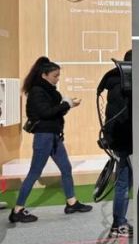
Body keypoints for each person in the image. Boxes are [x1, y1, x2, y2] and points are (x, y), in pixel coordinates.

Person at [9, 57, 92, 223]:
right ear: (44, 75)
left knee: (66, 168)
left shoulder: (48, 91)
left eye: (58, 75)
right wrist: (67, 104)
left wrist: (68, 105)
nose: (58, 78)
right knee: (35, 172)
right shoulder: (37, 91)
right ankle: (17, 210)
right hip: (44, 137)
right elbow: (46, 113)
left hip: (53, 136)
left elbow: (55, 111)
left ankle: (71, 202)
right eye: (55, 76)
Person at [97, 50, 133, 238]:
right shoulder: (125, 84)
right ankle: (119, 223)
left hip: (120, 140)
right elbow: (124, 116)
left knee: (124, 182)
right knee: (123, 183)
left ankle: (119, 222)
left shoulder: (114, 82)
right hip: (125, 140)